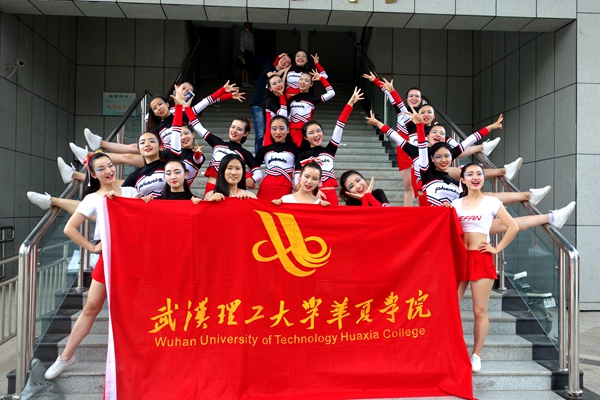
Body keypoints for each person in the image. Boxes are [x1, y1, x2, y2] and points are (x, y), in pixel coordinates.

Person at [43, 153, 139, 379]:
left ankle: (139, 357)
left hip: (134, 257)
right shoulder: (93, 199)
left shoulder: (131, 192)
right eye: (101, 168)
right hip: (110, 256)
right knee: (91, 307)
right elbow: (69, 228)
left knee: (135, 309)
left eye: (110, 165)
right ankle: (66, 356)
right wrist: (93, 247)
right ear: (94, 175)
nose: (108, 171)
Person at [450, 163, 519, 374]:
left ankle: (476, 355)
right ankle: (455, 350)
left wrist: (496, 248)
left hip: (481, 257)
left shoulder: (492, 202)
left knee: (479, 310)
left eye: (479, 173)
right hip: (459, 258)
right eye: (470, 174)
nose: (475, 177)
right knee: (450, 308)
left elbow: (513, 226)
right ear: (463, 179)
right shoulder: (455, 204)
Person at [295, 87, 364, 206]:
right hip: (310, 197)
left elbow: (339, 126)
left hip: (330, 196)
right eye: (311, 133)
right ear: (305, 137)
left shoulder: (329, 150)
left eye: (318, 131)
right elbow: (297, 184)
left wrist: (350, 103)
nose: (316, 135)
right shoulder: (301, 156)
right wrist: (313, 191)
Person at [185, 108, 262, 196]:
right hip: (212, 188)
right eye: (233, 127)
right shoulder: (217, 143)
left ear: (245, 133)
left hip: (231, 191)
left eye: (239, 129)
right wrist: (187, 108)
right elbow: (199, 127)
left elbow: (258, 173)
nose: (234, 131)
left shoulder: (245, 153)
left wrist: (250, 180)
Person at [250, 53, 291, 154]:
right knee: (260, 134)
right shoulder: (269, 66)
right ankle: (258, 157)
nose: (284, 62)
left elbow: (283, 86)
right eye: (284, 59)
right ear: (279, 58)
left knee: (268, 132)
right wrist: (284, 70)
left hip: (270, 106)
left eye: (287, 62)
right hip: (259, 104)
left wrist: (285, 73)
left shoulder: (282, 76)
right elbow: (272, 76)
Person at [254, 116, 299, 200]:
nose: (278, 132)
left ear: (288, 130)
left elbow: (301, 171)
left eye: (282, 128)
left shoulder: (295, 150)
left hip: (284, 189)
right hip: (265, 189)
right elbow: (252, 167)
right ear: (270, 130)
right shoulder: (264, 150)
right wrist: (250, 178)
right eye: (274, 129)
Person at [287, 69, 336, 146]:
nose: (302, 82)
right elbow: (288, 117)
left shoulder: (313, 98)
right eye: (301, 79)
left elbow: (331, 93)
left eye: (306, 80)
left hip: (305, 132)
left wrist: (321, 78)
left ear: (311, 84)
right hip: (291, 132)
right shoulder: (291, 99)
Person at [240, 22, 255, 88]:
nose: (249, 25)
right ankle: (243, 82)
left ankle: (247, 82)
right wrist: (242, 50)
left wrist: (253, 52)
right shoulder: (243, 32)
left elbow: (252, 44)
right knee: (244, 67)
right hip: (245, 51)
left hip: (250, 51)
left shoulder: (251, 33)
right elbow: (242, 41)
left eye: (250, 24)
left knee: (248, 67)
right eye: (247, 24)